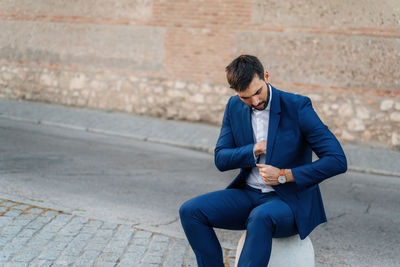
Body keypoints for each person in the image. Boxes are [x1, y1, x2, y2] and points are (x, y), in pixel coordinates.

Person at [179, 55, 347, 266]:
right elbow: (221, 159)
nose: (255, 102)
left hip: (289, 202)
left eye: (257, 92)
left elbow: (337, 160)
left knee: (261, 217)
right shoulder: (233, 107)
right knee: (191, 211)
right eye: (246, 97)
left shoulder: (297, 106)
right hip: (249, 195)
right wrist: (254, 149)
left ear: (266, 76)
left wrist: (284, 176)